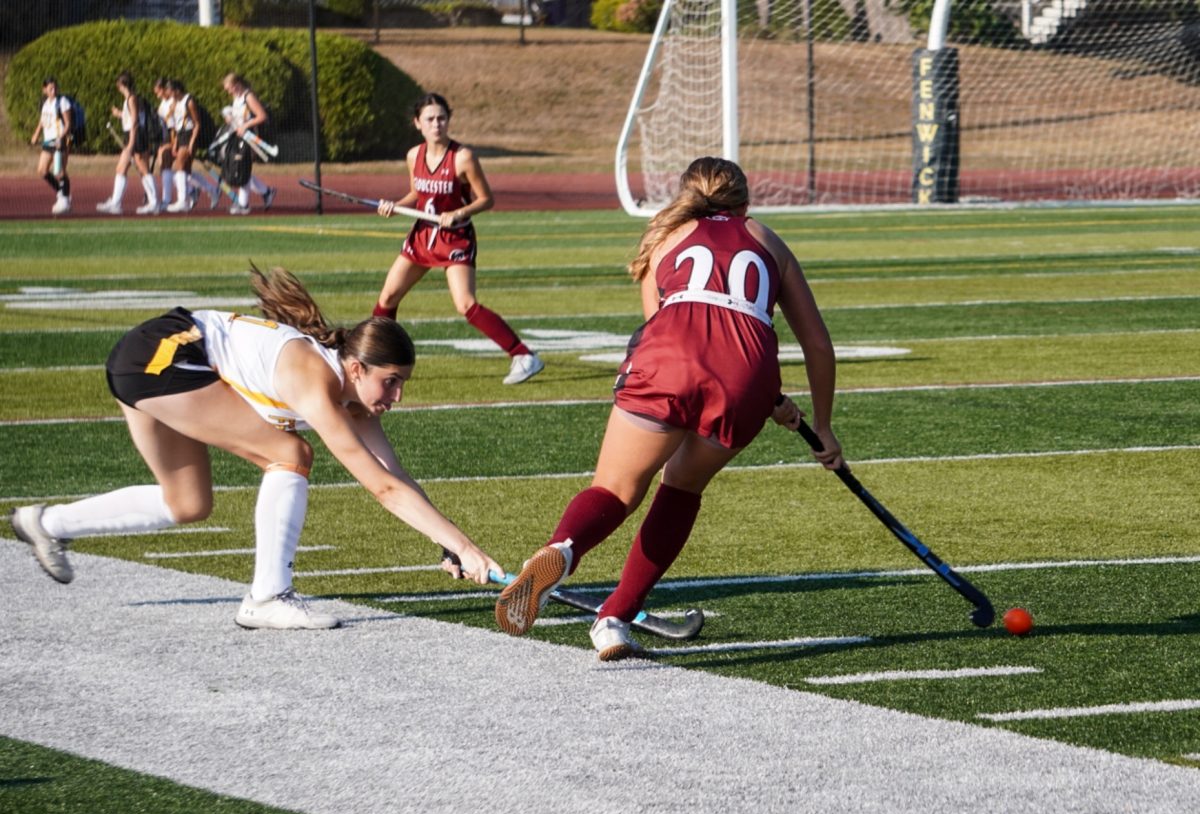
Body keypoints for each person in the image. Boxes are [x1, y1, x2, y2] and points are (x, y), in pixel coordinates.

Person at [8, 265, 503, 629]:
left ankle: (48, 523)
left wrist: (446, 541)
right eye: (391, 382)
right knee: (290, 454)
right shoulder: (315, 379)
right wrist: (465, 546)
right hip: (162, 359)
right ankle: (267, 596)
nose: (397, 396)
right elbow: (380, 489)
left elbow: (395, 475)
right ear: (357, 369)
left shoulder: (353, 398)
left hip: (146, 357)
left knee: (187, 503)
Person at [494, 157, 844, 659]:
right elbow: (816, 344)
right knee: (681, 487)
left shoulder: (664, 238)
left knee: (614, 488)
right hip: (745, 379)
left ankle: (563, 550)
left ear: (686, 196)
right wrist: (821, 425)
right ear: (745, 202)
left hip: (667, 362)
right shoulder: (766, 238)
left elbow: (672, 327)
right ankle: (613, 619)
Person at [374, 92, 544, 386]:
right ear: (418, 123)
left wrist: (459, 212)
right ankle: (375, 356)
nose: (437, 124)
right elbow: (419, 193)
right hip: (423, 235)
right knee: (388, 297)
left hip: (455, 238)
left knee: (465, 303)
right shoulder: (414, 155)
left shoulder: (463, 157)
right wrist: (395, 205)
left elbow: (486, 199)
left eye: (442, 118)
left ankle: (523, 356)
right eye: (430, 119)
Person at [96, 71, 159, 216]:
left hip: (136, 136)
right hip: (130, 135)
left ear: (121, 85)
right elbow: (130, 117)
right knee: (121, 168)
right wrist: (119, 114)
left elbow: (135, 121)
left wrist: (131, 143)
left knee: (143, 169)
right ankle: (116, 203)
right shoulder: (129, 100)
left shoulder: (131, 99)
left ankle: (154, 203)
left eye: (118, 84)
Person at [221, 73, 276, 215]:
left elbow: (262, 116)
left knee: (242, 167)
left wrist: (245, 126)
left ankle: (243, 204)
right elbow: (240, 115)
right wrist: (230, 116)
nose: (228, 91)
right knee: (238, 167)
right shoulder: (236, 97)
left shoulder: (248, 96)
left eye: (230, 88)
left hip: (249, 137)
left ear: (237, 84)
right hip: (238, 136)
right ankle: (266, 192)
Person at [165, 79, 220, 213]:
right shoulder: (175, 103)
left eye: (170, 90)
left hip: (190, 135)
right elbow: (177, 125)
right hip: (181, 135)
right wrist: (175, 143)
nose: (168, 93)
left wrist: (191, 143)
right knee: (187, 171)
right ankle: (212, 190)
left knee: (179, 167)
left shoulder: (189, 101)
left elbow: (197, 124)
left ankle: (182, 201)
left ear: (177, 90)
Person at [30, 76, 73, 216]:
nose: (53, 91)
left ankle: (65, 200)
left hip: (61, 141)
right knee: (42, 170)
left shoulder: (63, 102)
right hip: (48, 141)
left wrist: (61, 138)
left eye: (55, 88)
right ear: (44, 90)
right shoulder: (46, 103)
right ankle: (62, 193)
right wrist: (36, 133)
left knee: (59, 171)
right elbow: (43, 120)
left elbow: (68, 124)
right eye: (50, 89)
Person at [152, 77, 176, 211]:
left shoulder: (173, 102)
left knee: (169, 166)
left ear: (164, 90)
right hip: (165, 136)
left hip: (174, 136)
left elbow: (173, 125)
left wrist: (172, 143)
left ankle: (167, 199)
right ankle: (196, 190)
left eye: (158, 92)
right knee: (169, 168)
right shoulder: (163, 103)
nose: (157, 95)